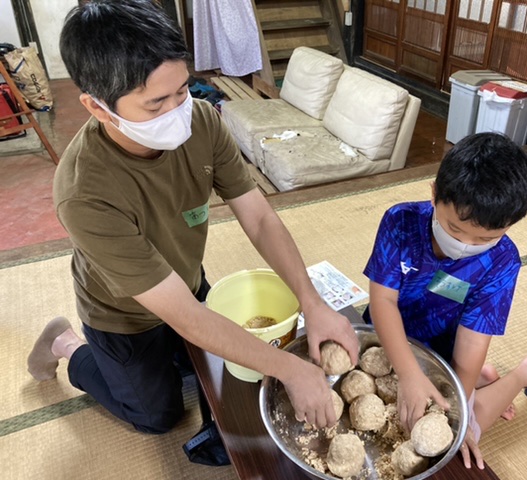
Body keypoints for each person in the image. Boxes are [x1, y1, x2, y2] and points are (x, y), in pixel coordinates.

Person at [26, 0, 359, 439]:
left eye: (182, 90)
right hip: (123, 314)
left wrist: (312, 303)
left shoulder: (201, 121)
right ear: (98, 107)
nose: (177, 111)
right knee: (158, 416)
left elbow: (259, 218)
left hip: (186, 282)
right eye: (155, 104)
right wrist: (290, 369)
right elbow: (184, 316)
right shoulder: (83, 192)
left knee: (211, 371)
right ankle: (67, 345)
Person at [362, 133, 527, 470]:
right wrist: (408, 373)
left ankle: (524, 373)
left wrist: (453, 413)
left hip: (446, 355)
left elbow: (472, 344)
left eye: (485, 238)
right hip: (388, 332)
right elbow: (383, 302)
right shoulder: (400, 222)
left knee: (456, 434)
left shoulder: (502, 262)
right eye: (454, 228)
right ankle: (484, 378)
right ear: (435, 193)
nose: (465, 244)